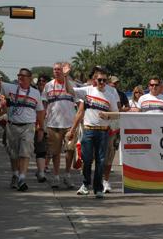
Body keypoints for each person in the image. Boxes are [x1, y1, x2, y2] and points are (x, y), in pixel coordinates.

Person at [67, 67, 119, 198]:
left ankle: (98, 188)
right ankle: (85, 184)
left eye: (104, 80)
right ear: (95, 79)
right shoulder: (88, 90)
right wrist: (65, 76)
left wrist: (108, 115)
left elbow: (116, 114)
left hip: (103, 131)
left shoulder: (110, 95)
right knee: (87, 159)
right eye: (100, 80)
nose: (102, 83)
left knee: (101, 161)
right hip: (89, 130)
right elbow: (70, 91)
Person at [0, 68, 45, 192]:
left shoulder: (35, 93)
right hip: (12, 126)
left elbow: (40, 112)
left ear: (29, 79)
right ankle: (15, 174)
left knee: (25, 153)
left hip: (28, 126)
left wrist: (41, 128)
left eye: (23, 76)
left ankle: (22, 178)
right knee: (14, 154)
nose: (20, 78)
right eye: (19, 75)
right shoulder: (10, 88)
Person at [43, 62, 76, 189]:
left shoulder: (71, 85)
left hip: (69, 124)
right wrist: (42, 121)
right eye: (54, 69)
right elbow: (44, 104)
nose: (56, 71)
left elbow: (78, 101)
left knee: (70, 150)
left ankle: (67, 174)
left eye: (59, 69)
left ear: (64, 71)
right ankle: (56, 176)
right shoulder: (48, 85)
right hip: (53, 124)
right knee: (55, 152)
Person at [103, 76, 130, 193]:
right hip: (98, 126)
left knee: (110, 153)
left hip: (114, 126)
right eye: (113, 83)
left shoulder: (119, 94)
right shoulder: (97, 91)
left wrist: (121, 111)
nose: (115, 85)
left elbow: (122, 108)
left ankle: (105, 181)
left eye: (117, 83)